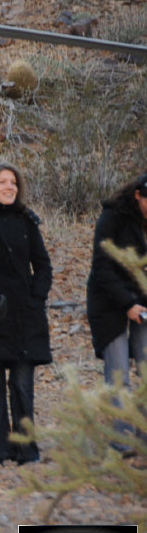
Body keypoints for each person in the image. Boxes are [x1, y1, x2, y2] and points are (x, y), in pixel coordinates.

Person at [0, 164, 52, 464]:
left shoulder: (26, 221)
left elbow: (43, 264)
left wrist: (37, 296)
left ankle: (26, 449)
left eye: (14, 183)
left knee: (22, 387)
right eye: (2, 182)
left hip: (24, 316)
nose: (10, 187)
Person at [86, 173, 147, 453]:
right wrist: (127, 304)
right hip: (109, 303)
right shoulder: (112, 216)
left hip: (143, 302)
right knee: (119, 370)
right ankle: (122, 443)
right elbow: (102, 266)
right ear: (138, 195)